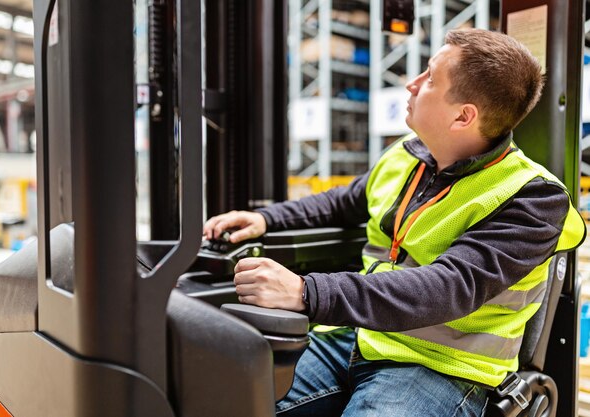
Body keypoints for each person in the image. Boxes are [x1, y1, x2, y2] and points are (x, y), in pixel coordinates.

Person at [203, 28, 586, 417]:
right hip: (358, 337)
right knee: (227, 400)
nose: (411, 84)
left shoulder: (531, 197)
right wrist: (264, 219)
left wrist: (307, 292)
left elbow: (448, 287)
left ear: (463, 115)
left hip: (440, 367)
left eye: (430, 79)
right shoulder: (406, 157)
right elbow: (342, 203)